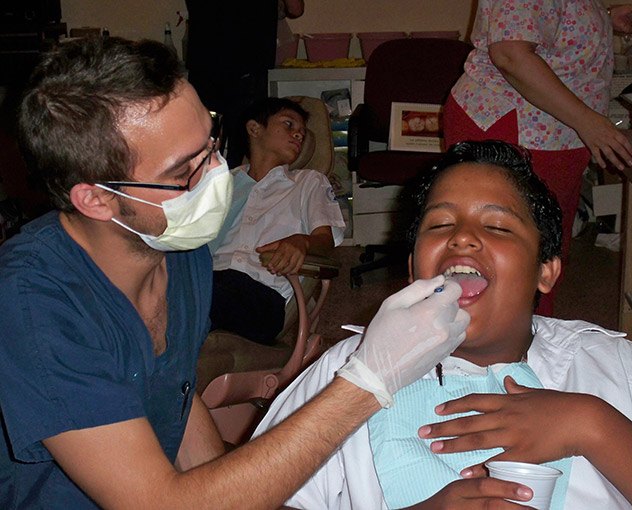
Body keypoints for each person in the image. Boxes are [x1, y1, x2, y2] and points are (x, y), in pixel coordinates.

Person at [0, 36, 471, 508]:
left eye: (212, 143)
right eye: (186, 171)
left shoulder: (180, 253)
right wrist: (370, 380)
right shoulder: (34, 305)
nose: (217, 175)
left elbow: (176, 401)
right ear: (96, 199)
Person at [255, 140, 632, 509]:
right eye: (440, 224)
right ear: (411, 268)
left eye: (496, 226)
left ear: (546, 271)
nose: (462, 237)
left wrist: (591, 426)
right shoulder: (350, 372)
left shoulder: (616, 369)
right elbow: (256, 496)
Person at [444, 1, 632, 315]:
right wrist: (588, 121)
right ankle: (494, 356)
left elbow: (546, 19)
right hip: (515, 127)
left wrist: (602, 20)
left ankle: (522, 350)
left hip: (547, 131)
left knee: (538, 260)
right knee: (510, 264)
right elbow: (510, 54)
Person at [208, 97, 345, 345]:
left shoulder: (307, 182)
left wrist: (301, 242)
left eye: (302, 133)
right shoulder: (221, 184)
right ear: (254, 129)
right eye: (288, 125)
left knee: (191, 299)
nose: (298, 135)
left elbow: (325, 241)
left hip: (261, 296)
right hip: (210, 280)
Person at [186, 0, 305, 168]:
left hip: (206, 62)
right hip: (248, 64)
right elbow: (295, 8)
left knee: (202, 148)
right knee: (247, 146)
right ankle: (241, 191)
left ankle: (204, 189)